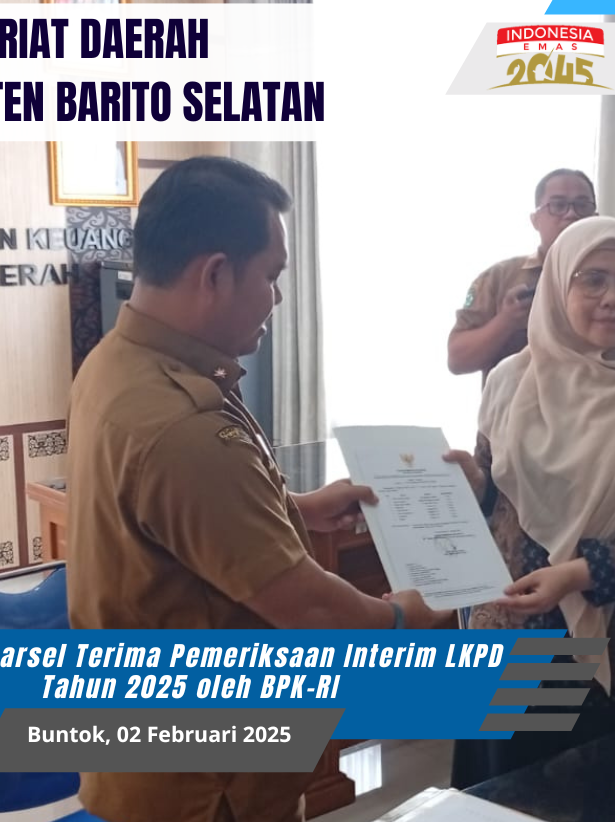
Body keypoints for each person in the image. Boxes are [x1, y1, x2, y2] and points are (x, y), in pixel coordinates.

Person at [65, 156, 445, 822]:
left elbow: (173, 525)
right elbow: (312, 611)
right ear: (214, 273)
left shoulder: (116, 364)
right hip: (210, 787)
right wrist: (404, 615)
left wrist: (296, 509)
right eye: (271, 276)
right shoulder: (183, 424)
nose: (277, 298)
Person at [446, 216, 615, 788]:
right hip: (515, 636)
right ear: (558, 289)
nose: (613, 297)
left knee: (612, 797)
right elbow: (498, 500)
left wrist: (576, 574)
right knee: (509, 796)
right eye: (592, 279)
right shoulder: (509, 383)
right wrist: (473, 481)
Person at [447, 169, 615, 382]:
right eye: (558, 205)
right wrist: (505, 321)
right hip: (517, 400)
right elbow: (457, 360)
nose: (571, 214)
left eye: (582, 206)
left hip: (608, 399)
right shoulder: (501, 278)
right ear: (535, 219)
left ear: (595, 217)